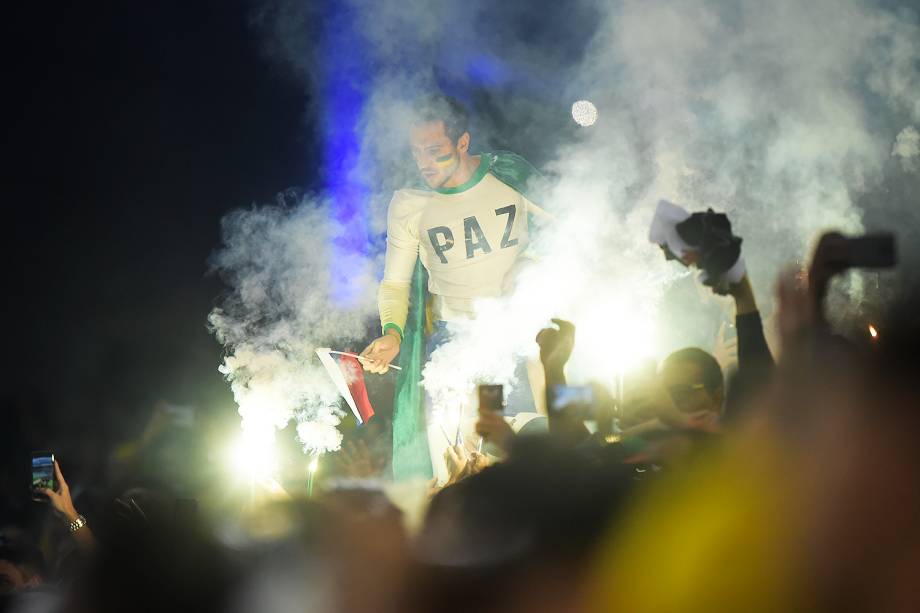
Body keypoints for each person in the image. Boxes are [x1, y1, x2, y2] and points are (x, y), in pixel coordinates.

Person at [359, 93, 551, 480]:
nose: (425, 163)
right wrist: (392, 333)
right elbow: (395, 283)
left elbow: (576, 227)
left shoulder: (509, 176)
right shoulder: (410, 204)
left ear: (463, 143)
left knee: (527, 459)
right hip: (454, 344)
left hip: (519, 338)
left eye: (435, 151)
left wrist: (531, 265)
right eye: (417, 153)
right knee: (458, 466)